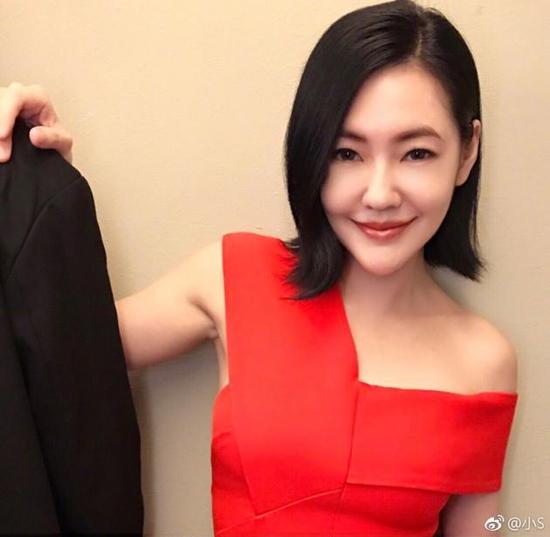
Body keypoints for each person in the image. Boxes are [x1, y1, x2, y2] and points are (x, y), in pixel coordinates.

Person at [0, 1, 519, 535]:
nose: (380, 194)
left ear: (467, 152)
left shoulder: (485, 360)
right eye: (346, 153)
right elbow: (48, 349)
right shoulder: (234, 279)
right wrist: (37, 193)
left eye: (416, 153)